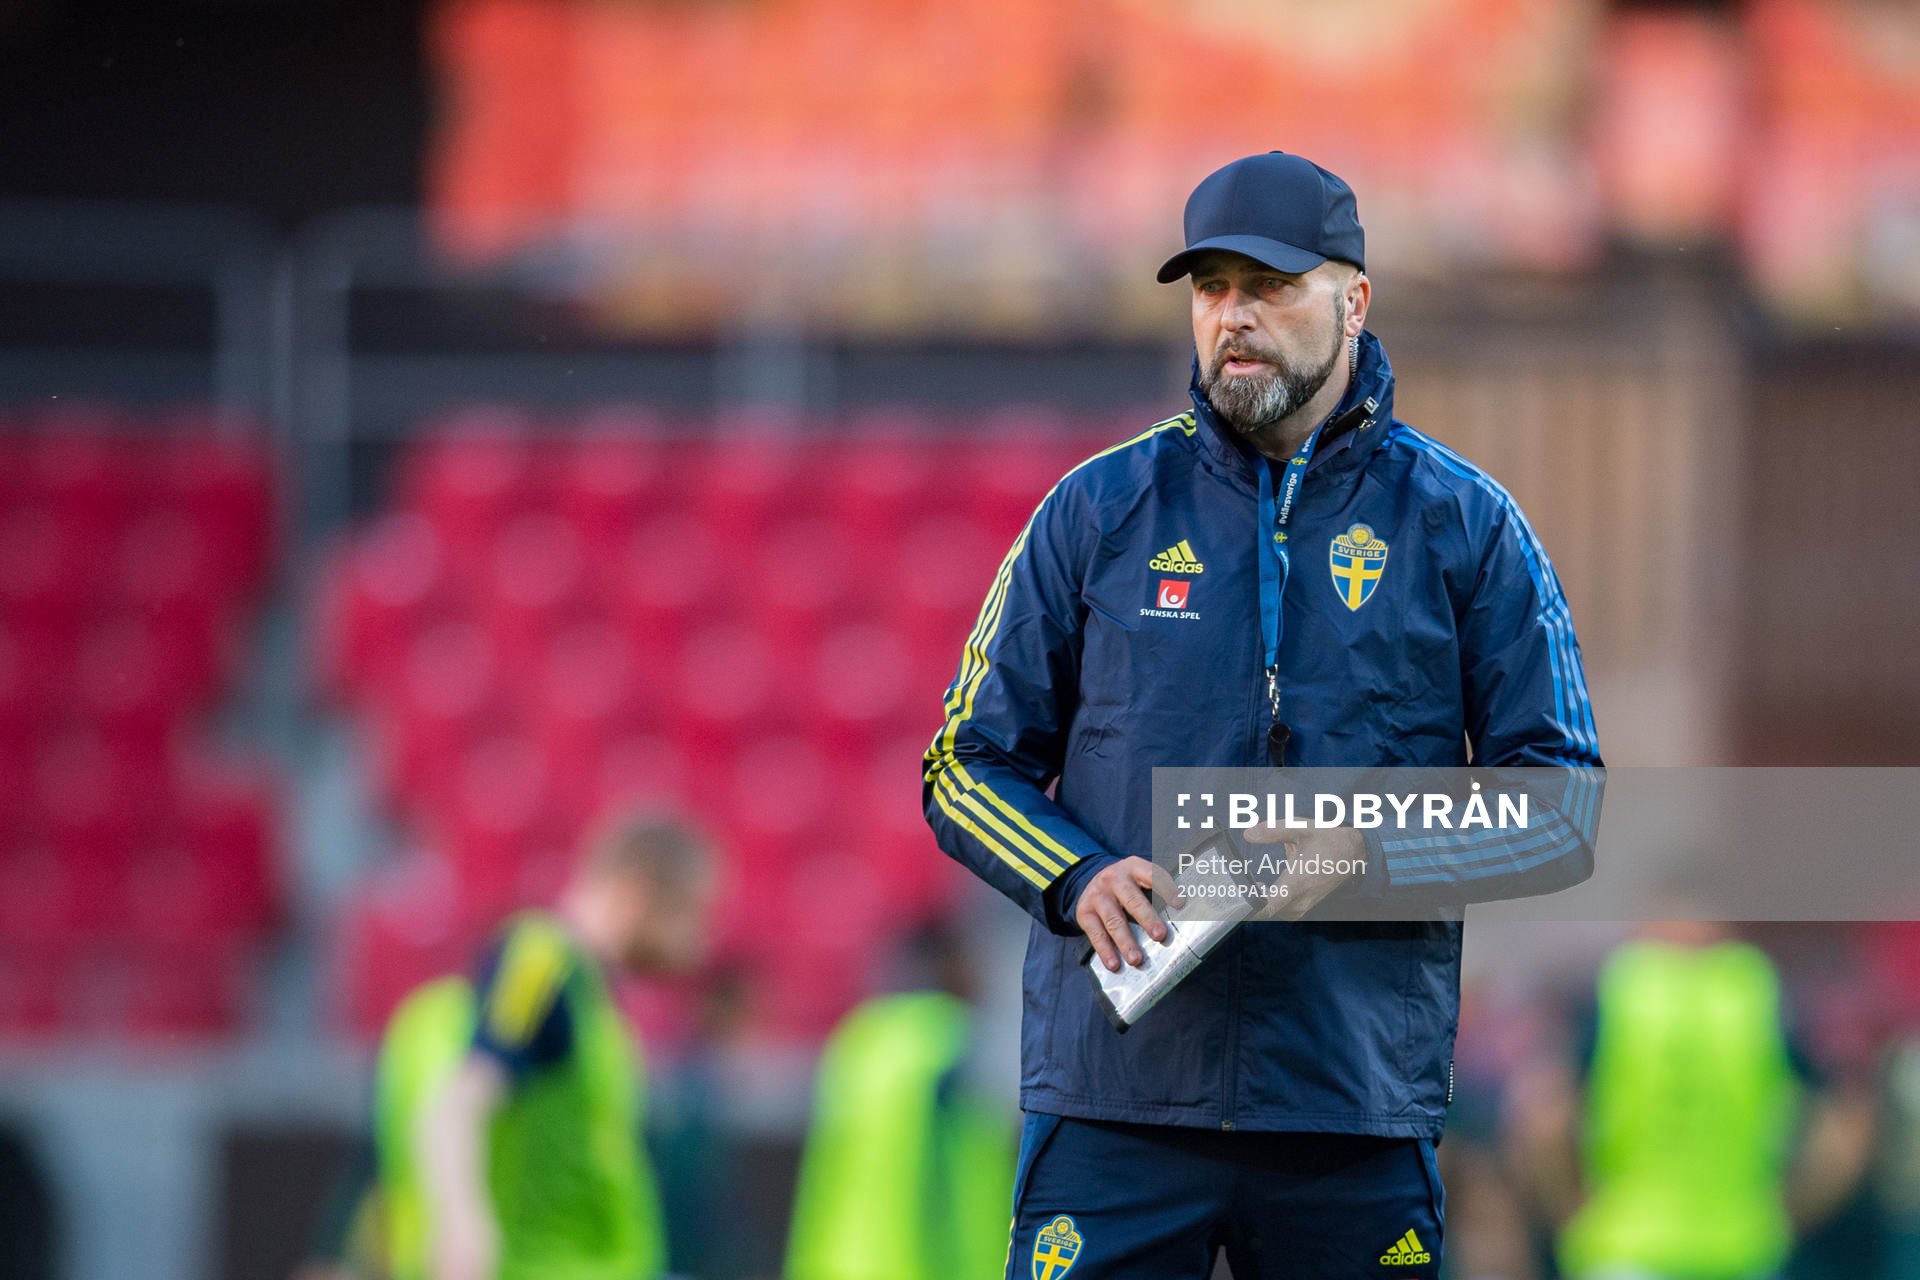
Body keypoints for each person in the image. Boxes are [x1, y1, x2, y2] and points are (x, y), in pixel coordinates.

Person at [921, 150, 1603, 1279]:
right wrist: (1077, 872)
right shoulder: (1094, 512)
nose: (1232, 316)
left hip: (1352, 1104)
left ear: (1355, 299)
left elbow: (1560, 806)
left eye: (1269, 285)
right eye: (1210, 287)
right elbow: (961, 763)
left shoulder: (1468, 526)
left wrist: (1334, 851)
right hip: (1117, 1099)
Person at [373, 813, 717, 1280]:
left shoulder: (592, 999)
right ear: (637, 891)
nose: (695, 941)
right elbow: (455, 1106)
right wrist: (463, 1225)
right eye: (688, 914)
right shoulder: (540, 960)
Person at [784, 924, 1016, 1280]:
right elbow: (939, 1188)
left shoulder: (860, 1036)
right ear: (954, 969)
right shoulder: (949, 1044)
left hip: (832, 1263)